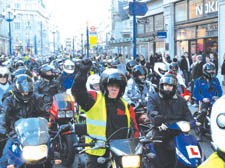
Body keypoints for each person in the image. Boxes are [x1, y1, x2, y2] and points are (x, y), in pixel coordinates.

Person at [71, 59, 139, 168]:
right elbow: (78, 92)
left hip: (120, 151)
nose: (114, 88)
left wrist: (138, 143)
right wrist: (82, 73)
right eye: (111, 85)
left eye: (117, 86)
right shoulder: (94, 99)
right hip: (97, 150)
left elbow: (134, 128)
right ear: (105, 86)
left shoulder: (126, 106)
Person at [147, 73, 194, 168]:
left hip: (179, 131)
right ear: (161, 85)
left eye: (170, 85)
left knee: (192, 146)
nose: (168, 87)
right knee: (161, 153)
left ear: (174, 87)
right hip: (162, 130)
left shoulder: (181, 100)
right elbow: (151, 111)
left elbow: (188, 115)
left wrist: (193, 122)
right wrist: (157, 120)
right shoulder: (154, 97)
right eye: (165, 85)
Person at [0, 74, 47, 167]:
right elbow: (4, 115)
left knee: (48, 155)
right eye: (23, 92)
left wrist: (45, 124)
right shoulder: (9, 101)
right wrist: (2, 128)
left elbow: (43, 113)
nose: (25, 93)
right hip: (15, 134)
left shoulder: (36, 99)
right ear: (17, 90)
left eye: (27, 91)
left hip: (34, 133)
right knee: (5, 160)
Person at [198, 95, 225, 168]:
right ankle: (200, 131)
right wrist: (202, 98)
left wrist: (217, 97)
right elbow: (196, 92)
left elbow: (220, 91)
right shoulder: (198, 82)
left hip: (215, 101)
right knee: (203, 112)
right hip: (205, 102)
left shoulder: (215, 82)